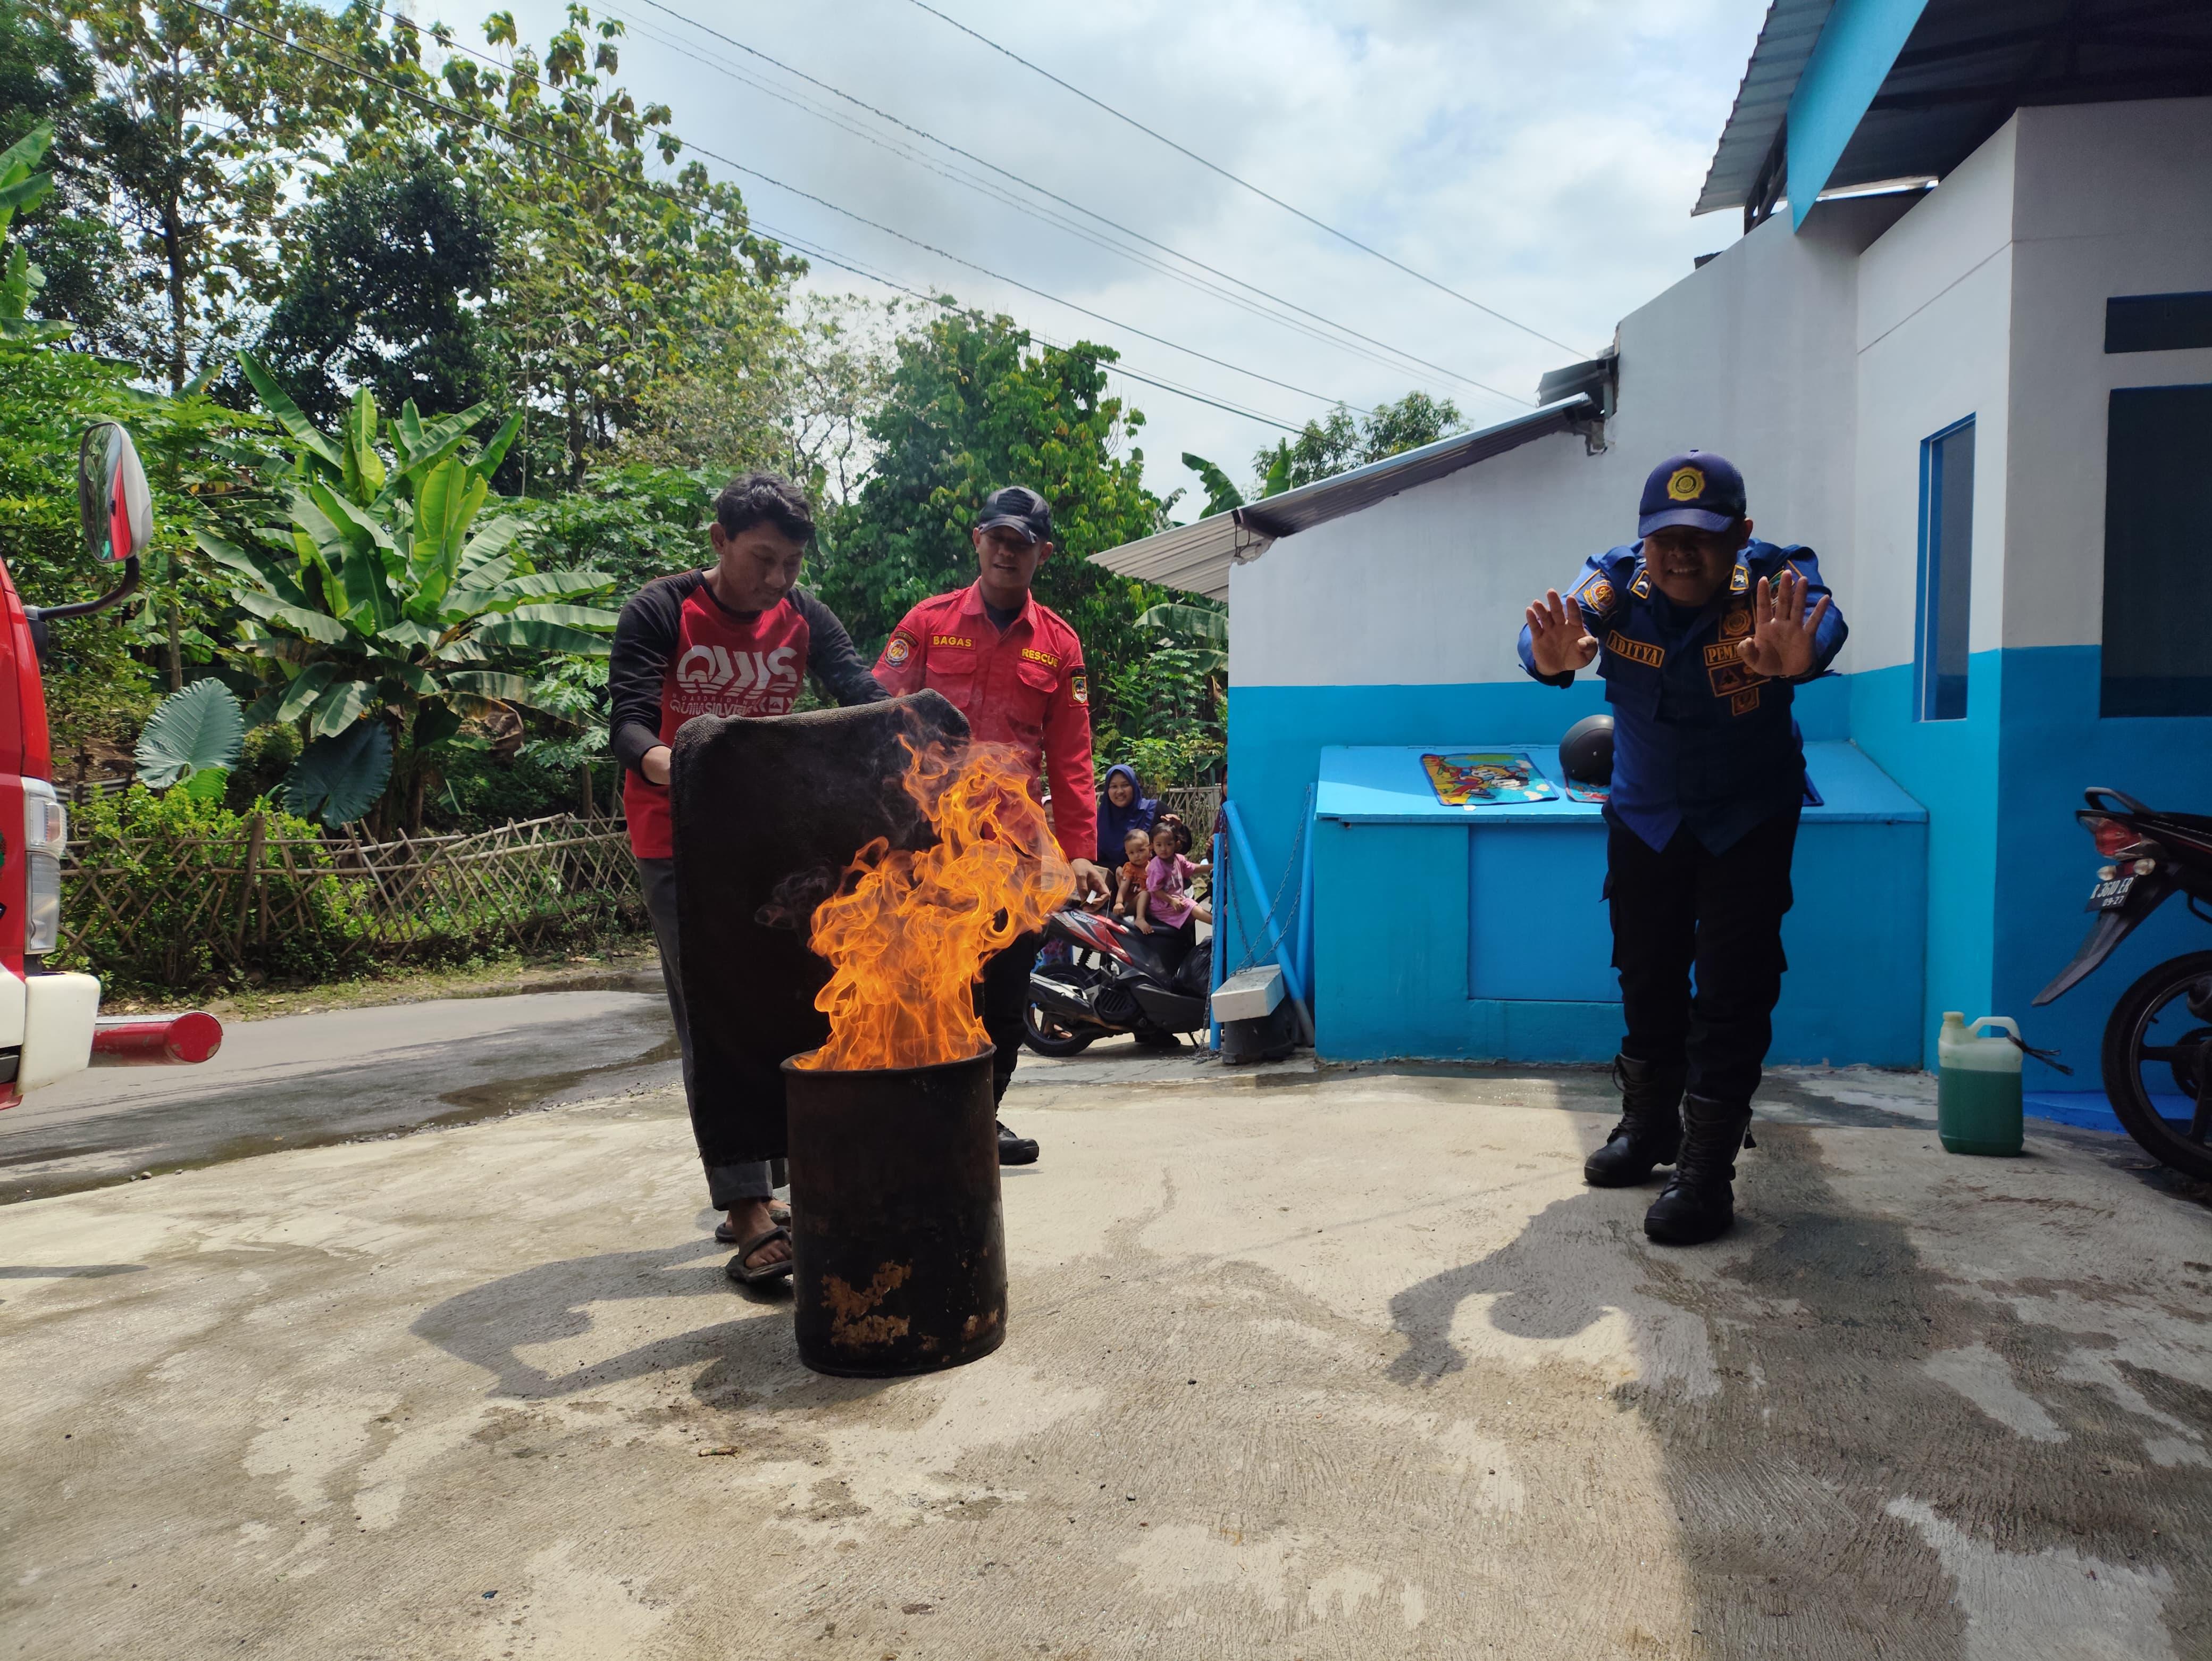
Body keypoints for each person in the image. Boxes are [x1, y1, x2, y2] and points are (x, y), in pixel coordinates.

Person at [1518, 450, 1845, 1246]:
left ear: (1740, 533)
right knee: (1645, 974)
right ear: (1643, 538)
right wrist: (1548, 659)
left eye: (1701, 536)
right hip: (1646, 817)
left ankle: (1706, 1172)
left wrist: (1801, 659)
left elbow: (1819, 624)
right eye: (1665, 537)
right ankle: (1647, 1126)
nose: (1680, 554)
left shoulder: (1772, 579)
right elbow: (1553, 631)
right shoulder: (1617, 581)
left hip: (1747, 820)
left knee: (1734, 988)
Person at [612, 473, 886, 1282]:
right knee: (715, 1016)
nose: (777, 579)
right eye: (763, 558)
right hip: (678, 837)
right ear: (719, 540)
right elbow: (629, 723)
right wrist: (685, 768)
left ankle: (804, 1175)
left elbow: (861, 695)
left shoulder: (805, 618)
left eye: (791, 563)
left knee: (801, 1004)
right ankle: (745, 1206)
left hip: (775, 839)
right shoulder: (660, 610)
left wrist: (918, 732)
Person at [873, 486, 1111, 1163]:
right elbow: (875, 718)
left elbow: (1071, 754)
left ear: (1043, 554)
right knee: (925, 987)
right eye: (996, 538)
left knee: (1004, 997)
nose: (1007, 552)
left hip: (1013, 853)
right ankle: (913, 1122)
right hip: (925, 843)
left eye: (1021, 543)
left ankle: (980, 1119)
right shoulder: (927, 623)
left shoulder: (1058, 645)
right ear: (977, 541)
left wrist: (1081, 850)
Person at [1134, 820, 1209, 965]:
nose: (1164, 849)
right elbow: (1155, 889)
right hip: (1162, 906)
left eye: (1169, 844)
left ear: (1177, 844)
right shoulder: (1157, 865)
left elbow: (1193, 868)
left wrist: (1214, 866)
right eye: (1159, 845)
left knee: (1189, 905)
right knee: (1190, 905)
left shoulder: (1178, 859)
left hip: (1174, 902)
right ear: (1152, 846)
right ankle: (1218, 923)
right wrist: (1171, 901)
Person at [1097, 764, 1157, 866]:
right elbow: (1096, 860)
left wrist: (1178, 829)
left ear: (1134, 786)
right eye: (1114, 786)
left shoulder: (1154, 810)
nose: (1120, 791)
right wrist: (1116, 869)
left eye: (1125, 785)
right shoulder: (1101, 821)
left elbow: (1181, 847)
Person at [1112, 825, 1153, 918]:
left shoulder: (1154, 866)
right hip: (1132, 904)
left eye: (1141, 851)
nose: (1136, 856)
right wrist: (1119, 902)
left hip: (1151, 904)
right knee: (1145, 894)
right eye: (1132, 853)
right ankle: (1140, 919)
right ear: (1127, 854)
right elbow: (1123, 887)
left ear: (1150, 848)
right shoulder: (1130, 868)